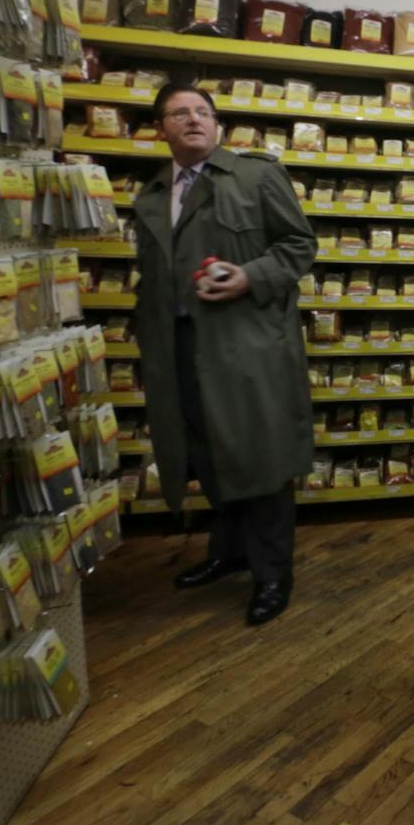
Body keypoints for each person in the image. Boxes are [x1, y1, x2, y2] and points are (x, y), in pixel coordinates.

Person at [131, 83, 317, 625]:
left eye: (202, 112)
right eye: (179, 113)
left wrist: (248, 276)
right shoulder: (150, 195)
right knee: (205, 453)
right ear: (161, 128)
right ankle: (230, 553)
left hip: (246, 347)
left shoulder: (256, 176)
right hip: (179, 349)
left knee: (259, 457)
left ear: (216, 125)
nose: (193, 119)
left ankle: (272, 573)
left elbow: (300, 246)